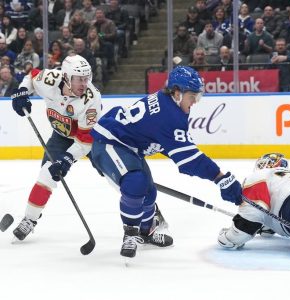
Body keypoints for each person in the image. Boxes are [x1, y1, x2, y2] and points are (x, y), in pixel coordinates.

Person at [89, 66, 242, 259]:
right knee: (136, 184)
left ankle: (146, 232)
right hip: (109, 144)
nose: (195, 102)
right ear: (177, 93)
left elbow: (171, 146)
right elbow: (189, 161)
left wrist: (182, 155)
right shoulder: (170, 115)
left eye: (198, 97)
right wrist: (221, 179)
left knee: (149, 193)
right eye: (192, 96)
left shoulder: (168, 102)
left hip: (129, 147)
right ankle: (131, 234)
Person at [10, 54, 101, 241]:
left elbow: (85, 140)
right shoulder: (50, 80)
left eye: (86, 78)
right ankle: (30, 219)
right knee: (47, 174)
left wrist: (67, 158)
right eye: (78, 79)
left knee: (114, 175)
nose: (84, 84)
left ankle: (149, 217)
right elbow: (31, 77)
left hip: (93, 137)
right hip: (61, 136)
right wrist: (22, 92)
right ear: (66, 77)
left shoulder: (92, 99)